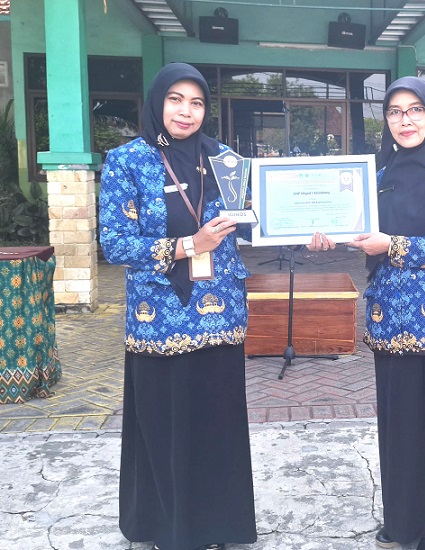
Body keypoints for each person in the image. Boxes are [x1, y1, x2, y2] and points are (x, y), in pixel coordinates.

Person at [307, 76, 425, 550]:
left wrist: (394, 245)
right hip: (390, 321)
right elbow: (357, 230)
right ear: (386, 119)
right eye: (395, 111)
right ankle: (401, 522)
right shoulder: (375, 173)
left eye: (415, 110)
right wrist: (322, 236)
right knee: (398, 426)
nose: (405, 120)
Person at [99, 63, 257, 550]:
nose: (186, 112)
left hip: (219, 315)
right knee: (164, 424)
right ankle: (170, 529)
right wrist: (188, 245)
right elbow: (115, 243)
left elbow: (252, 222)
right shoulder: (127, 161)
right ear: (157, 102)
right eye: (175, 100)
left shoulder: (226, 160)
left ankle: (220, 526)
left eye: (197, 102)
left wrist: (298, 223)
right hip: (160, 319)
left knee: (216, 424)